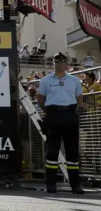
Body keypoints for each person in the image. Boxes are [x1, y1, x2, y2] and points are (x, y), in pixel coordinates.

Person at [36, 52, 84, 194]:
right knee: (52, 152)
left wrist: (72, 111)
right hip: (53, 115)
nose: (59, 64)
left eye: (61, 62)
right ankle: (51, 185)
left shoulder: (74, 80)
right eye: (56, 61)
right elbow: (40, 98)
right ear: (53, 64)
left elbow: (79, 99)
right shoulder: (45, 80)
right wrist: (50, 111)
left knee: (72, 153)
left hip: (70, 114)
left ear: (66, 64)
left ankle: (75, 185)